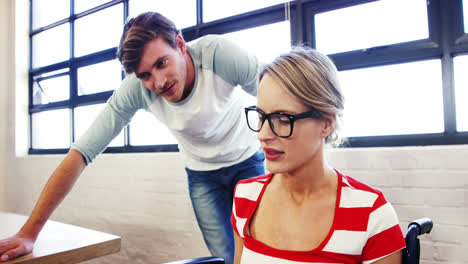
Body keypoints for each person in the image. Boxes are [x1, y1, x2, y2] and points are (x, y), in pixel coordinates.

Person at [0, 12, 264, 264]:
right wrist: (29, 233)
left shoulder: (218, 55)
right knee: (226, 257)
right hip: (202, 175)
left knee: (260, 249)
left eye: (162, 63)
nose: (158, 82)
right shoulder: (136, 90)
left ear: (180, 45)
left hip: (248, 158)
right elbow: (80, 154)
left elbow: (278, 90)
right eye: (145, 75)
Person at [231, 47, 406, 263]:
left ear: (326, 123)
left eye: (284, 119)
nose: (264, 135)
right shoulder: (245, 197)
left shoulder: (372, 215)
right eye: (261, 116)